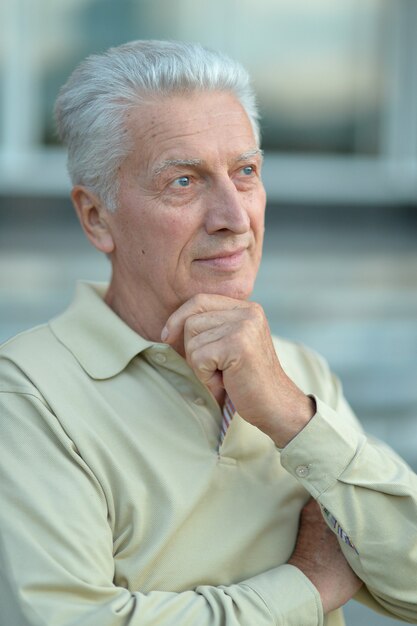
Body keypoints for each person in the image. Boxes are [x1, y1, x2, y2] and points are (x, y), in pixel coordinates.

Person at [0, 40, 416, 626]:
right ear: (96, 218)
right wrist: (307, 585)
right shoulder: (28, 397)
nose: (233, 216)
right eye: (184, 182)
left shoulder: (297, 375)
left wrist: (294, 419)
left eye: (245, 172)